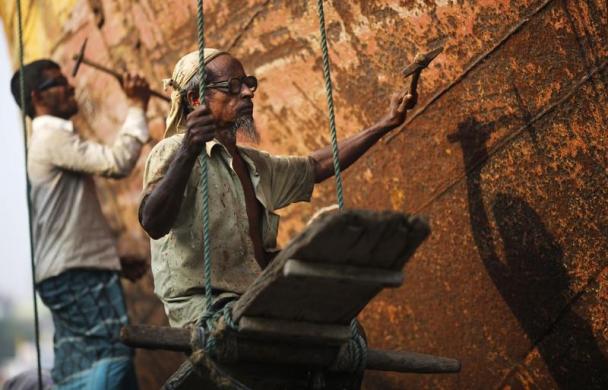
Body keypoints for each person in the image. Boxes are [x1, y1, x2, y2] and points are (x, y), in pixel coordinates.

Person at [139, 49, 415, 329]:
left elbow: (315, 166)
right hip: (205, 311)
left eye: (248, 83)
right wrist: (189, 149)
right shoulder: (172, 151)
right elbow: (153, 222)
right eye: (233, 86)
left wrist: (384, 125)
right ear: (196, 99)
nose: (248, 92)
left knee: (339, 325)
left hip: (253, 299)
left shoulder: (251, 164)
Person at [10, 59, 151, 389]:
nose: (71, 87)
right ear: (38, 98)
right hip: (75, 274)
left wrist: (111, 263)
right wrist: (137, 105)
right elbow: (117, 163)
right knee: (113, 352)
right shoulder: (50, 140)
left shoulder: (46, 144)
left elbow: (66, 223)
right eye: (59, 82)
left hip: (65, 273)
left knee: (79, 365)